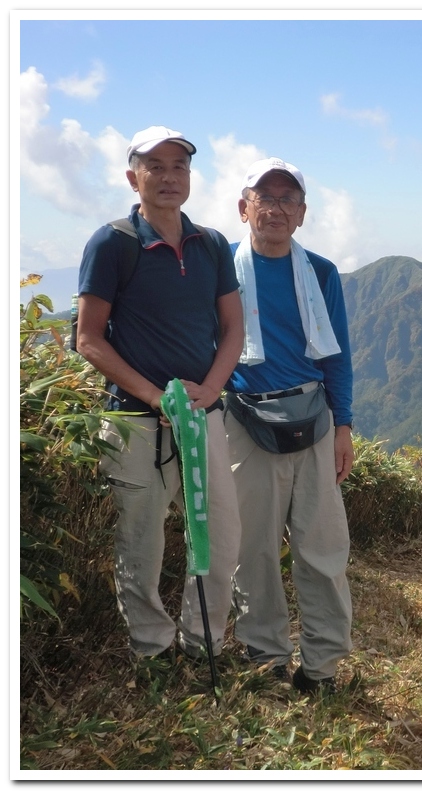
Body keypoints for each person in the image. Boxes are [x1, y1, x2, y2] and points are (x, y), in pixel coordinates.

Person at [76, 125, 244, 661]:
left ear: (190, 177)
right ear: (134, 178)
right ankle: (152, 650)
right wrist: (155, 396)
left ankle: (205, 644)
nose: (169, 177)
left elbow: (233, 329)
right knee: (141, 544)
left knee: (220, 536)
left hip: (205, 417)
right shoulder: (113, 243)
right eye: (156, 166)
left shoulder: (212, 244)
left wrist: (210, 389)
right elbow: (88, 339)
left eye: (179, 167)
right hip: (135, 421)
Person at [225, 157, 354, 695]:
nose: (275, 208)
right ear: (244, 207)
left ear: (301, 214)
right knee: (252, 547)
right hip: (244, 416)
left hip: (313, 419)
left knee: (322, 547)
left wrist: (343, 425)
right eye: (265, 197)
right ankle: (266, 656)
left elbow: (337, 354)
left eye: (287, 200)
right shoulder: (221, 272)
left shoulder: (320, 272)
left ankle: (321, 667)